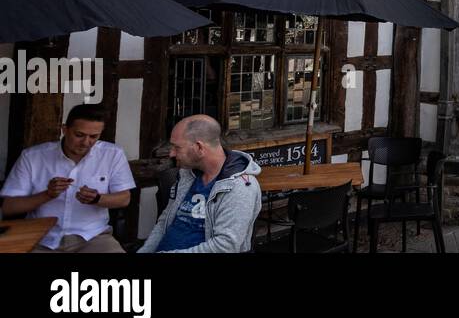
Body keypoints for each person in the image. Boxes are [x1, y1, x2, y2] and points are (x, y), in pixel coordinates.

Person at [0, 104, 135, 253]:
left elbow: (124, 199)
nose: (86, 142)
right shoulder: (32, 157)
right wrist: (47, 195)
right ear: (64, 130)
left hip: (92, 237)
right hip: (41, 238)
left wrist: (97, 199)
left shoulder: (112, 154)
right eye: (79, 135)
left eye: (93, 137)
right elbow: (9, 207)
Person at [139, 114, 262, 254]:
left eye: (177, 147)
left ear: (199, 148)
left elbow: (225, 246)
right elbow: (164, 222)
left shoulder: (240, 186)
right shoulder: (187, 174)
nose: (171, 153)